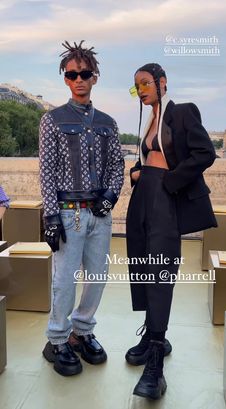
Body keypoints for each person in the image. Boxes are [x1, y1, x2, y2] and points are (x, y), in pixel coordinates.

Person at [125, 63, 217, 399]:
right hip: (143, 197)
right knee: (141, 266)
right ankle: (152, 336)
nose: (141, 90)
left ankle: (155, 365)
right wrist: (138, 172)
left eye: (145, 83)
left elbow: (205, 153)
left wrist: (170, 182)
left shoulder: (182, 112)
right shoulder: (150, 119)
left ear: (162, 82)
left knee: (161, 271)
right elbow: (151, 155)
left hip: (165, 198)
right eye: (136, 87)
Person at [39, 40, 124, 377]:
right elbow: (45, 170)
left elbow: (118, 165)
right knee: (64, 280)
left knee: (98, 278)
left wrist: (110, 197)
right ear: (65, 78)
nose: (78, 79)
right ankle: (56, 339)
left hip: (100, 216)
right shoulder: (52, 120)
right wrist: (50, 215)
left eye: (84, 73)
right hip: (69, 214)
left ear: (94, 77)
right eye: (72, 74)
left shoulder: (108, 122)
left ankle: (82, 331)